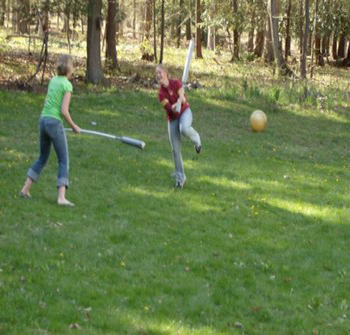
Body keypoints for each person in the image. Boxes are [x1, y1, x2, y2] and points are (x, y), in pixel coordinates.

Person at [20, 54, 81, 206]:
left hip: (43, 120)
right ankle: (61, 198)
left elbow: (47, 101)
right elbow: (64, 111)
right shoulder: (67, 85)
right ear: (69, 69)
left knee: (42, 157)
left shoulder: (53, 81)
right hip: (54, 123)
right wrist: (74, 127)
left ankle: (25, 190)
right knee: (63, 160)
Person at [156, 64, 201, 188]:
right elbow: (170, 109)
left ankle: (197, 140)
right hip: (173, 119)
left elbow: (183, 98)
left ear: (166, 73)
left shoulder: (175, 82)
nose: (158, 75)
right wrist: (176, 104)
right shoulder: (161, 94)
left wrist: (181, 99)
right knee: (175, 150)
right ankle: (180, 178)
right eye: (156, 74)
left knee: (184, 129)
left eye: (160, 72)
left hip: (185, 112)